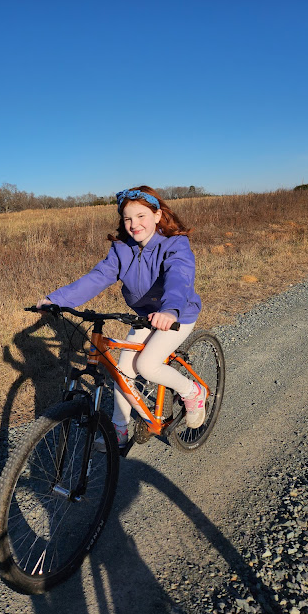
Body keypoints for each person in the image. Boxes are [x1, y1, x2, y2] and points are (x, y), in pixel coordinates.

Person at [36, 186, 205, 449]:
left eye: (141, 216)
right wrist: (57, 299)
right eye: (127, 218)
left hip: (177, 314)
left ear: (157, 215)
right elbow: (97, 278)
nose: (134, 224)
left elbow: (179, 277)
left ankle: (192, 392)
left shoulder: (175, 244)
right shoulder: (122, 249)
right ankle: (119, 430)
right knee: (122, 371)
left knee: (147, 365)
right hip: (145, 316)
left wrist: (170, 309)